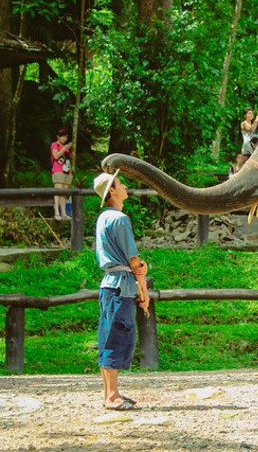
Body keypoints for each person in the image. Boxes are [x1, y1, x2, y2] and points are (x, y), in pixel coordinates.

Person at [93, 170, 150, 410]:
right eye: (120, 183)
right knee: (118, 338)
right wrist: (144, 287)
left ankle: (109, 393)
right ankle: (112, 395)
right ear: (112, 191)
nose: (125, 185)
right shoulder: (120, 219)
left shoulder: (102, 218)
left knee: (107, 338)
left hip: (108, 285)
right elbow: (134, 261)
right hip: (121, 286)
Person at [50, 128, 73, 220]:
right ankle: (56, 213)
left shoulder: (67, 149)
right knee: (57, 192)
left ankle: (64, 213)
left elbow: (69, 160)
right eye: (62, 136)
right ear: (58, 136)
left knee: (64, 193)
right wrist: (64, 148)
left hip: (67, 171)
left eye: (66, 137)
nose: (64, 139)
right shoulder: (54, 145)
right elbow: (56, 156)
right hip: (57, 170)